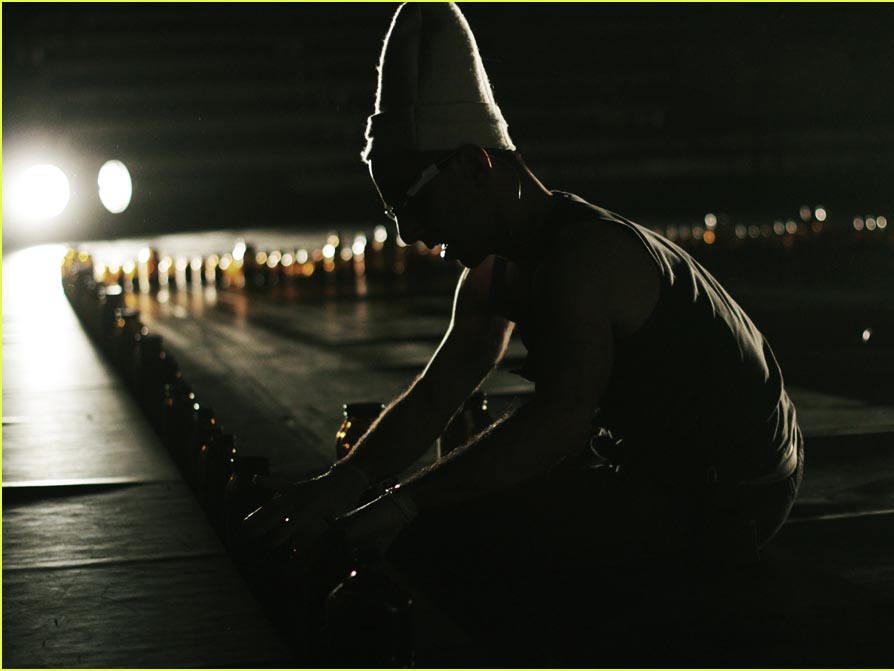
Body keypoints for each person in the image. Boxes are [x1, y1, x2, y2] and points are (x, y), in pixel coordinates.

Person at [246, 1, 802, 597]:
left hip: (738, 489)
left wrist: (404, 504)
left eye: (413, 204)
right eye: (394, 214)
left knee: (452, 547)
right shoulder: (494, 269)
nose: (409, 234)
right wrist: (345, 480)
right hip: (667, 461)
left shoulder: (584, 261)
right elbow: (437, 393)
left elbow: (557, 423)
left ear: (475, 164)